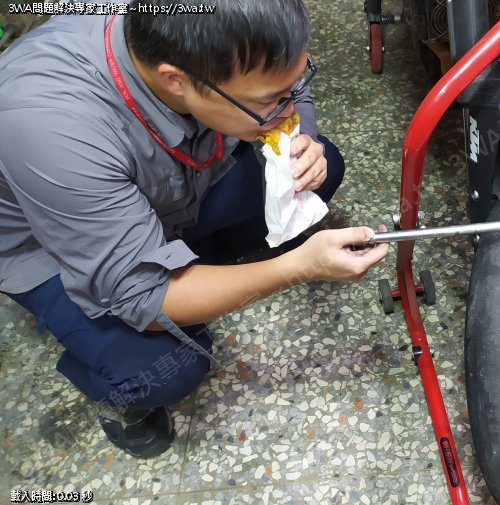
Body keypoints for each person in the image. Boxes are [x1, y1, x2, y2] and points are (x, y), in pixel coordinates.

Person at [0, 0, 388, 458]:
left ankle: (198, 265)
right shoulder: (50, 125)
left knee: (322, 173)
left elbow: (287, 84)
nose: (288, 109)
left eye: (292, 88)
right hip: (56, 245)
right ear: (176, 81)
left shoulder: (208, 39)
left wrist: (307, 139)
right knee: (170, 366)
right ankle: (117, 394)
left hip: (175, 188)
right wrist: (299, 267)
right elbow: (144, 298)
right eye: (271, 102)